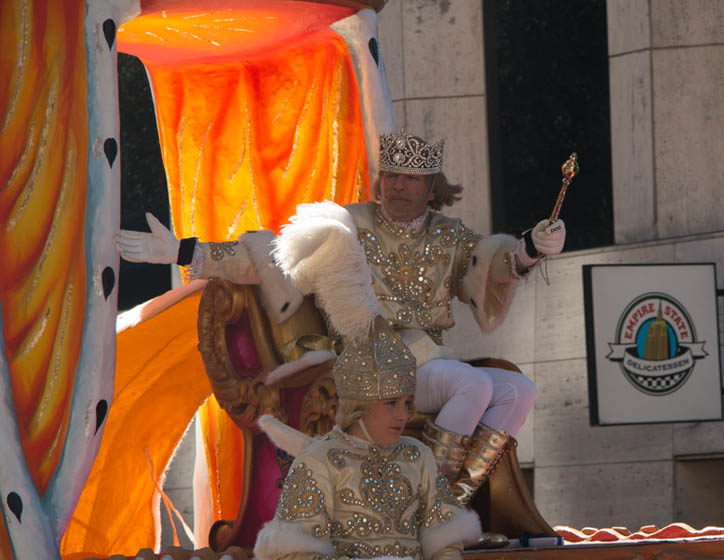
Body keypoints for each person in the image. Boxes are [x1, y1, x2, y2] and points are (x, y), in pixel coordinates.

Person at [116, 131, 566, 507]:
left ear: (432, 188)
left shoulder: (449, 235)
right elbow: (267, 258)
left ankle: (454, 500)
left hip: (427, 363)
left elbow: (491, 264)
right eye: (391, 175)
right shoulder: (346, 224)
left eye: (411, 178)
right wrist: (181, 251)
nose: (398, 185)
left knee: (521, 389)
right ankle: (426, 505)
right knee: (474, 384)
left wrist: (530, 249)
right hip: (365, 366)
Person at [249, 315, 480, 560]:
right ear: (359, 402)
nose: (404, 415)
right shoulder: (319, 460)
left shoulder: (417, 456)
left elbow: (445, 543)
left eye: (408, 402)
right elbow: (287, 559)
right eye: (391, 403)